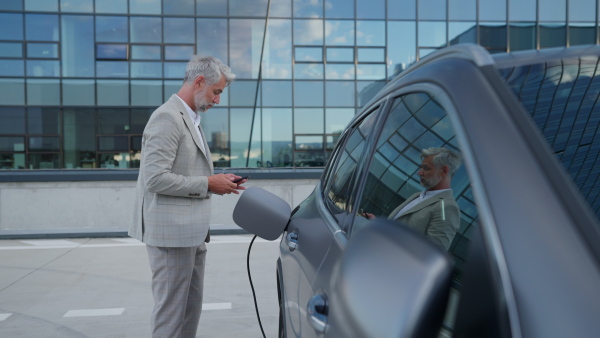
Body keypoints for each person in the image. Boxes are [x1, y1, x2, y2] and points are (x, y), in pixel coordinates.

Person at [129, 55, 246, 338]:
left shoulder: (191, 118)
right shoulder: (167, 117)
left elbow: (185, 169)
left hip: (191, 234)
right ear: (198, 82)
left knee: (189, 313)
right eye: (216, 92)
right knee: (171, 318)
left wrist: (218, 181)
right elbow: (154, 178)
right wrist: (208, 184)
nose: (218, 100)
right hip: (171, 237)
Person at [363, 147, 461, 251]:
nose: (420, 172)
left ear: (444, 170)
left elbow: (431, 254)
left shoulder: (447, 207)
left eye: (426, 168)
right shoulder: (417, 195)